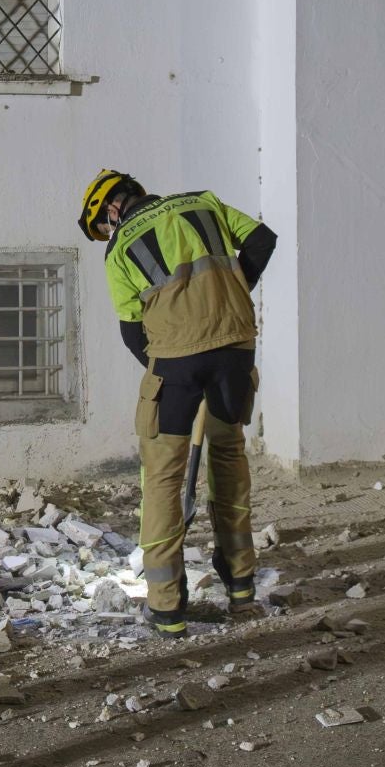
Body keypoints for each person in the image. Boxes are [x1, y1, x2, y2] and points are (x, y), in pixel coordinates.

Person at [78, 170, 277, 639]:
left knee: (163, 476)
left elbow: (132, 330)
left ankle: (167, 608)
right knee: (229, 456)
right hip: (235, 346)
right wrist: (229, 296)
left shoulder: (121, 245)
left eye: (103, 226)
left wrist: (170, 358)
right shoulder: (204, 202)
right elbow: (262, 240)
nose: (107, 232)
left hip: (176, 363)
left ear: (111, 210)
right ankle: (242, 587)